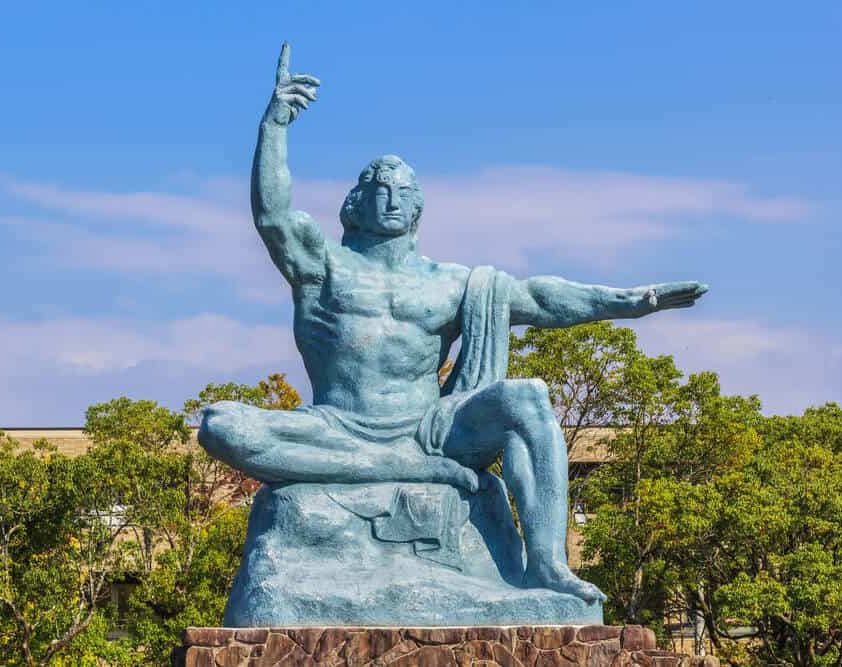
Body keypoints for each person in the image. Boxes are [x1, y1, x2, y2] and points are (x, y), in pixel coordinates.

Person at [200, 44, 707, 603]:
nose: (391, 199)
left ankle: (546, 565)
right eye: (378, 190)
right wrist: (274, 125)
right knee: (222, 427)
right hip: (337, 426)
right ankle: (395, 466)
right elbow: (272, 214)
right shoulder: (324, 265)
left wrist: (634, 300)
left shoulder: (453, 282)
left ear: (418, 208)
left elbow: (541, 298)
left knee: (529, 399)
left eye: (402, 192)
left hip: (431, 430)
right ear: (354, 205)